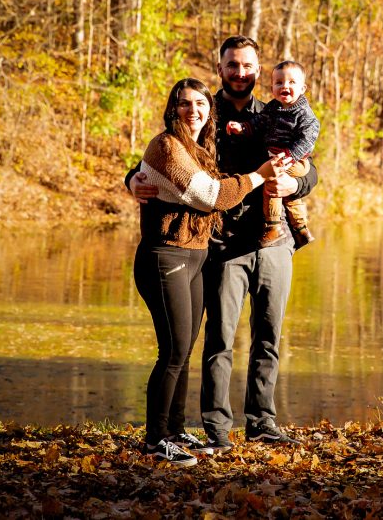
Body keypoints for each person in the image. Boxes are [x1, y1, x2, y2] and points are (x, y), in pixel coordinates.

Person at [128, 36, 317, 453]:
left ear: (257, 69)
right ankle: (216, 429)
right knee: (219, 339)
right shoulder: (202, 111)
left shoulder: (274, 110)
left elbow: (309, 164)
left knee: (269, 335)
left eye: (247, 65)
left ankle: (262, 421)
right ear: (221, 68)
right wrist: (132, 181)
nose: (240, 72)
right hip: (220, 242)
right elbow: (163, 157)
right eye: (232, 65)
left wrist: (298, 182)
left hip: (274, 239)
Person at [225, 60, 320, 248]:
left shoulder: (304, 114)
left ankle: (273, 226)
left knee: (272, 182)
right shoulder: (272, 108)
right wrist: (242, 127)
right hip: (280, 159)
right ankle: (300, 227)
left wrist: (289, 157)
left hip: (295, 160)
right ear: (272, 87)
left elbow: (308, 139)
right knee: (288, 193)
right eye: (279, 82)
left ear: (303, 88)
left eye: (292, 82)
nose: (285, 86)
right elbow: (258, 122)